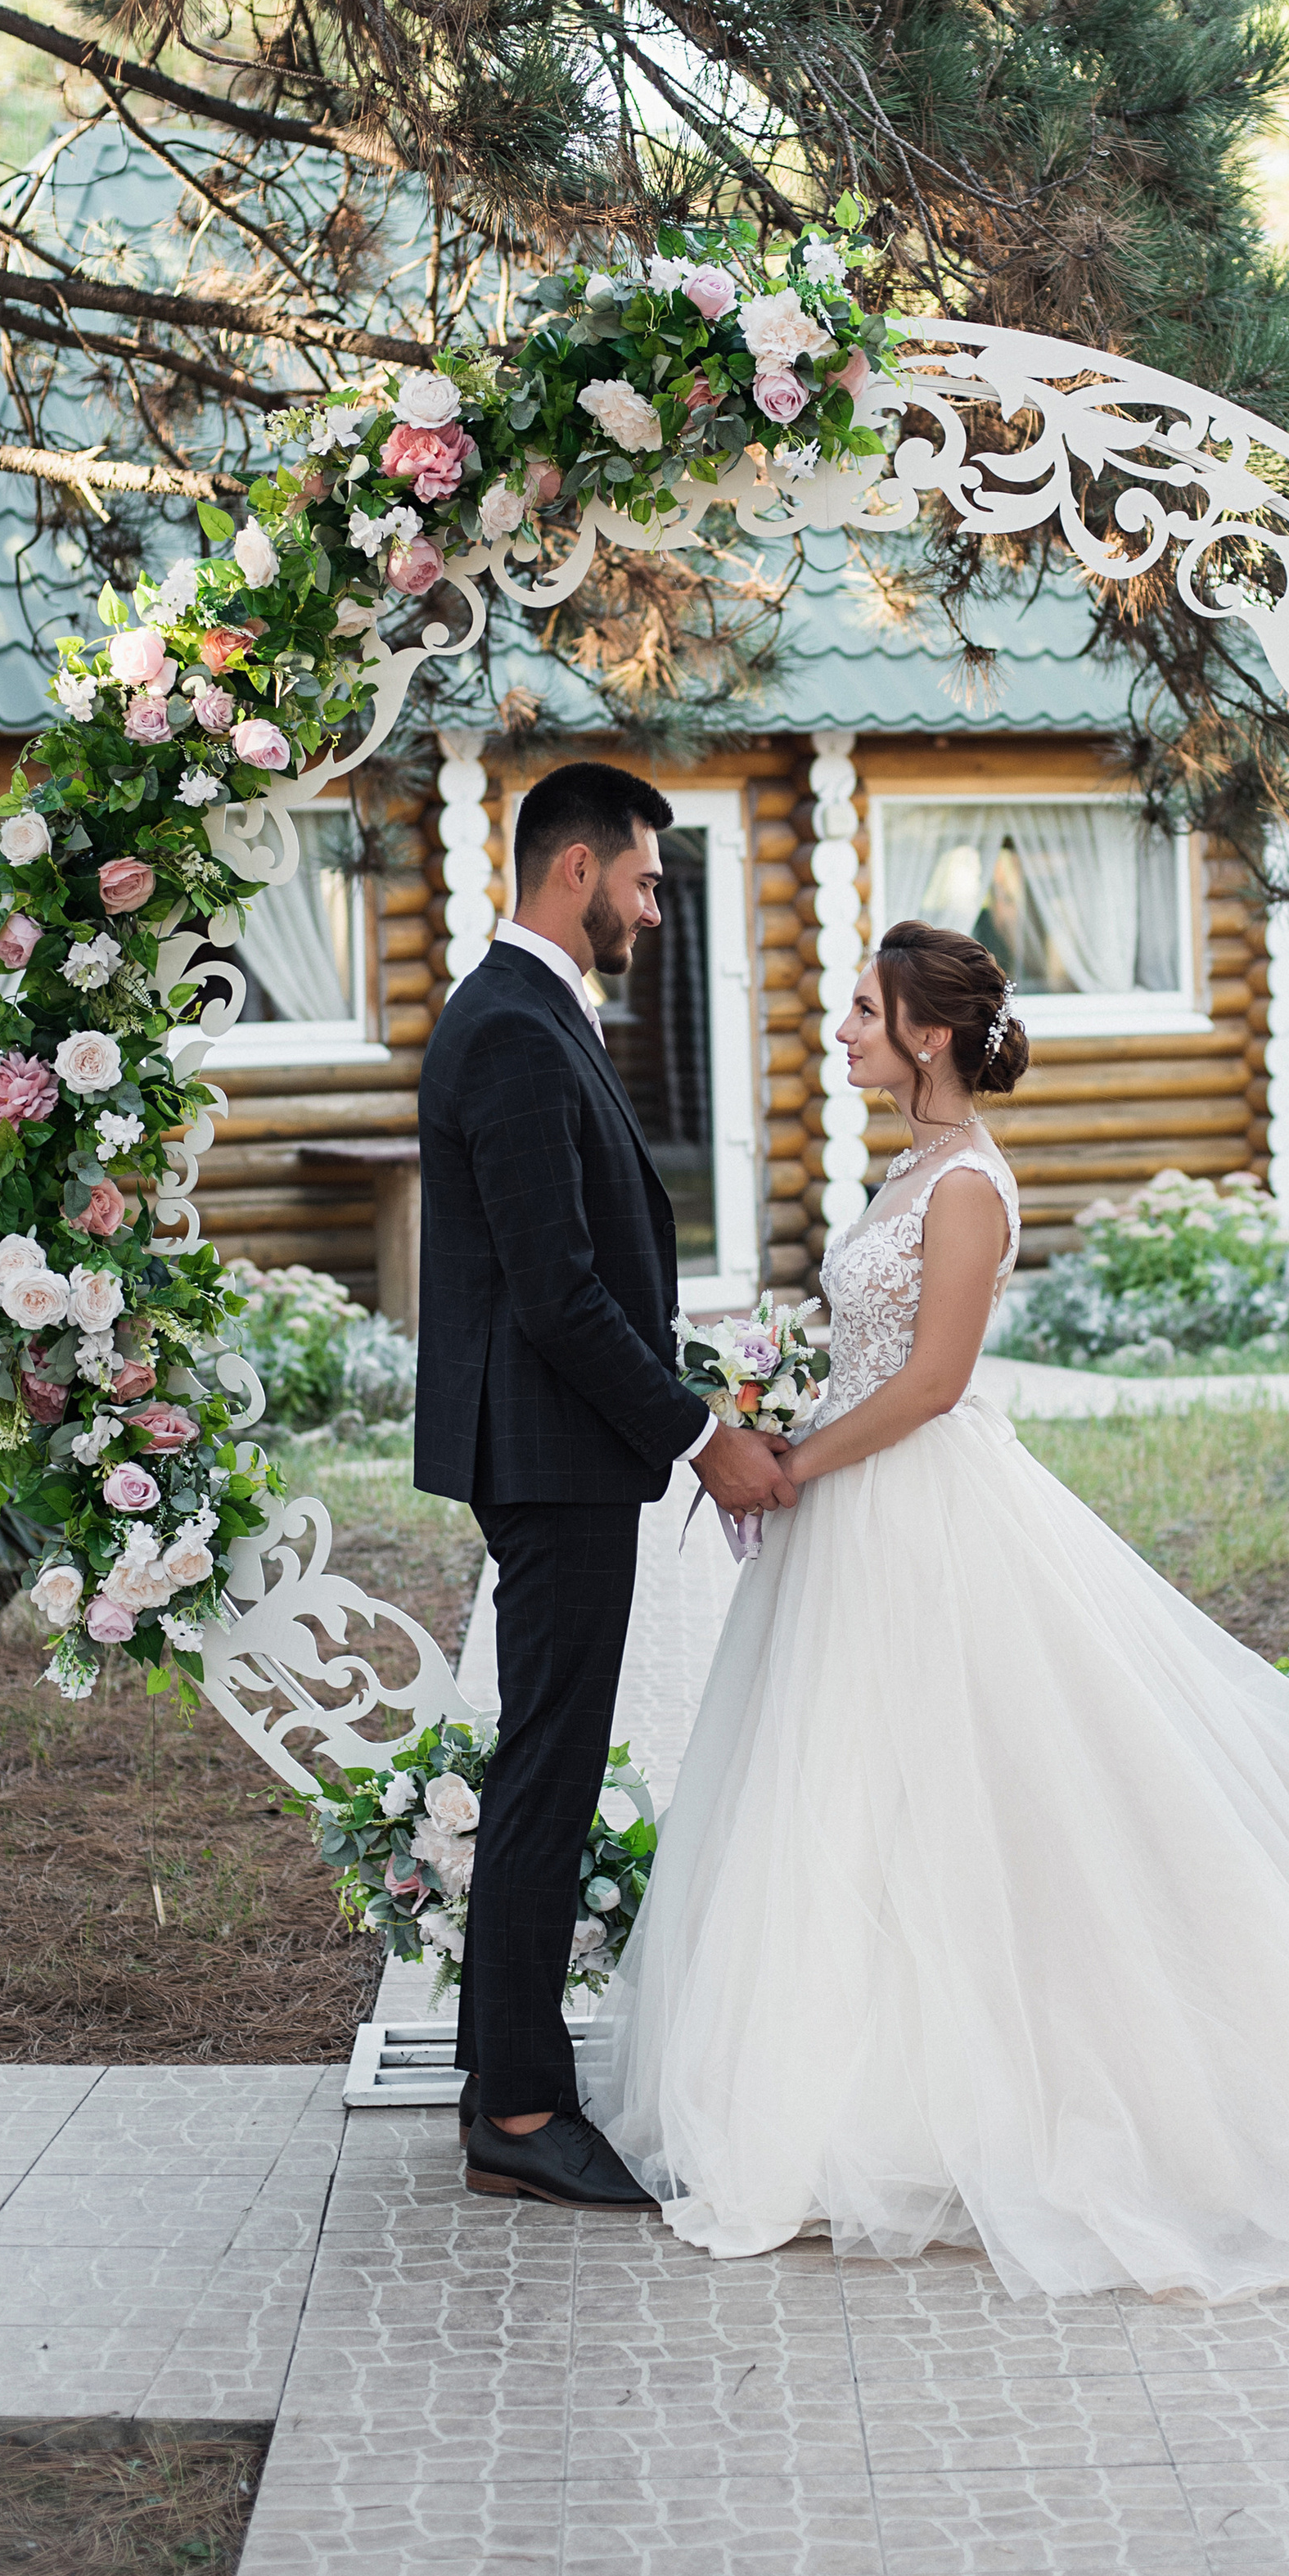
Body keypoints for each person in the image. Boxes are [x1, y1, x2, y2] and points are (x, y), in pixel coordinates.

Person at [582, 918, 1289, 2301]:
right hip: (860, 1518)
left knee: (972, 1791)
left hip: (916, 1505)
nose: (846, 1031)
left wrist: (793, 1458)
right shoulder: (912, 1167)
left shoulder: (967, 1187)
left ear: (928, 1033)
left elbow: (936, 1378)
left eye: (865, 1010)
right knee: (856, 1796)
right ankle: (865, 2091)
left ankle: (988, 2100)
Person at [415, 759, 792, 2209]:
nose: (651, 906)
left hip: (560, 1447)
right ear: (574, 869)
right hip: (552, 1453)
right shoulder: (510, 1028)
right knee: (547, 1770)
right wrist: (702, 1433)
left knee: (547, 1762)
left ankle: (500, 2078)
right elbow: (561, 1294)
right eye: (642, 880)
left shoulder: (527, 1013)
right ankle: (514, 2108)